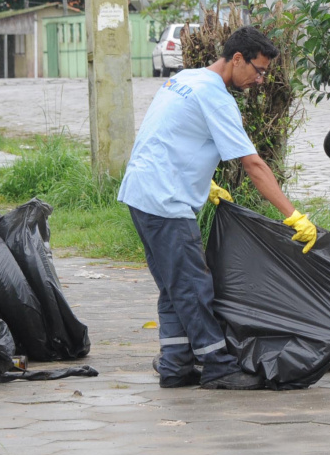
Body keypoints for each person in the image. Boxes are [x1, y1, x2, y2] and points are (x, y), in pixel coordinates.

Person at [118, 26, 318, 390]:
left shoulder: (187, 78)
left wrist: (204, 181)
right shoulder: (216, 97)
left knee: (174, 286)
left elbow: (168, 133)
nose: (260, 80)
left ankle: (176, 365)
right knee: (193, 286)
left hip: (142, 192)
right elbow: (253, 165)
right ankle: (218, 365)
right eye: (257, 71)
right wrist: (293, 215)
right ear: (236, 59)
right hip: (166, 201)